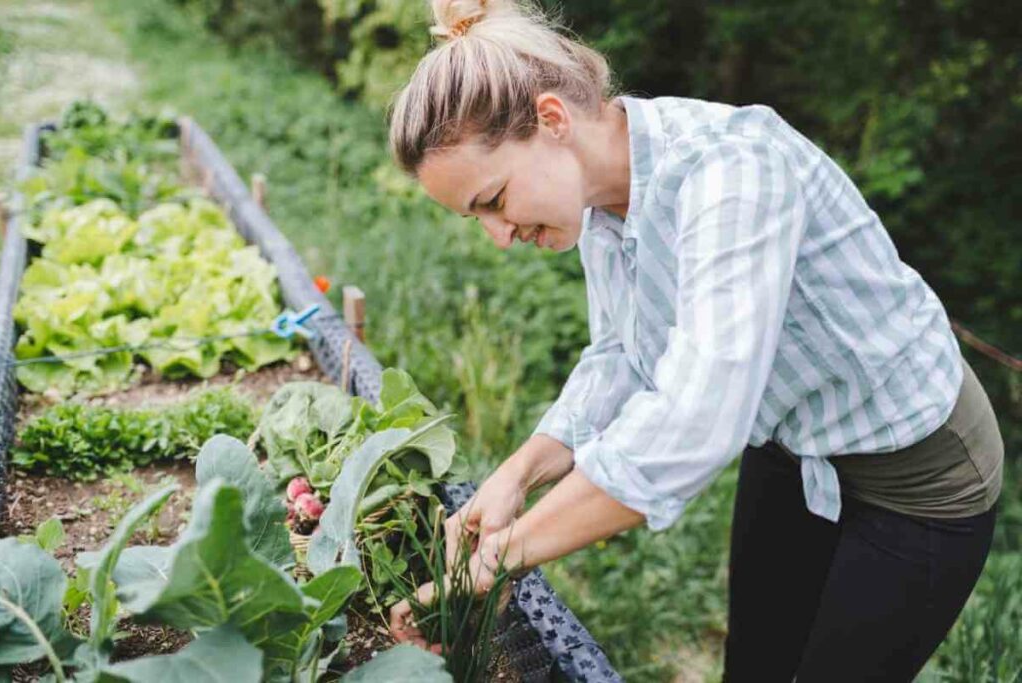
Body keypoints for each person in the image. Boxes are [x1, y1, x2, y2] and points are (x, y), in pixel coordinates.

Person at [385, 1, 1005, 680]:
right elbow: (623, 357)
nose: (499, 236)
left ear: (553, 120)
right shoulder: (597, 202)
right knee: (755, 666)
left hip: (916, 475)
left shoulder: (731, 173)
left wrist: (501, 557)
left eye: (495, 200)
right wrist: (518, 474)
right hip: (792, 439)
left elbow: (696, 417)